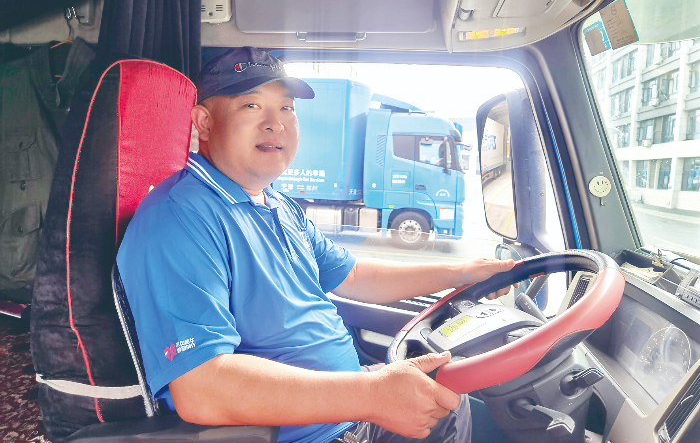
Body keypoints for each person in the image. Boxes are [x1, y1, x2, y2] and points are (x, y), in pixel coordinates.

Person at [116, 47, 516, 443]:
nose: (275, 124)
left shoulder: (278, 203)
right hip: (306, 433)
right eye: (252, 106)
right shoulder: (179, 218)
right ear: (204, 122)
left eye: (286, 108)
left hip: (349, 407)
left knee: (449, 400)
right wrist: (373, 395)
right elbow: (201, 388)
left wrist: (461, 273)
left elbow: (355, 275)